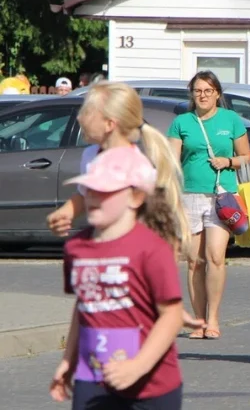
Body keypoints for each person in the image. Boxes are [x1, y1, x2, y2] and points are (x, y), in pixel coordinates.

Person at [45, 82, 201, 332]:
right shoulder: (91, 155)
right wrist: (67, 211)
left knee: (132, 326)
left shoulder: (138, 166)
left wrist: (165, 292)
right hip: (106, 253)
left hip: (133, 260)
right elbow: (86, 194)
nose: (79, 116)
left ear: (109, 123)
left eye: (87, 112)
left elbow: (163, 226)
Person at [50, 146, 184, 409]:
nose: (93, 196)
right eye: (89, 188)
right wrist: (69, 360)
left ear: (135, 197)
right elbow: (84, 306)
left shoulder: (151, 248)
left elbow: (172, 314)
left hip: (151, 384)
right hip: (93, 377)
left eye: (105, 190)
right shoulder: (76, 248)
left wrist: (137, 366)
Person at [167, 71, 250, 340]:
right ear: (192, 94)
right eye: (198, 91)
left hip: (222, 197)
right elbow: (171, 161)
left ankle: (213, 319)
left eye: (208, 90)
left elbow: (246, 156)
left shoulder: (231, 120)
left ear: (217, 93)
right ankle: (199, 321)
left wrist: (228, 162)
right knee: (194, 261)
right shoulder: (182, 122)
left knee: (215, 256)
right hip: (190, 195)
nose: (202, 95)